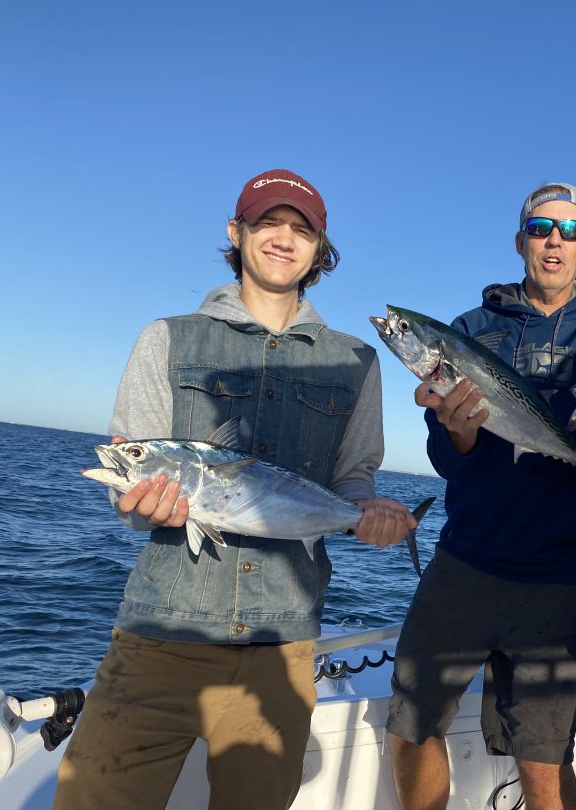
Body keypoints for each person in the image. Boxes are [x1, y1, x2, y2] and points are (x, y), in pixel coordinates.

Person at [54, 169, 416, 810]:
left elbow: (352, 480)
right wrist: (137, 505)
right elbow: (129, 473)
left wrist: (366, 516)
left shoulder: (355, 361)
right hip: (160, 630)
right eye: (268, 222)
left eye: (301, 229)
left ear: (319, 247)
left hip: (280, 647)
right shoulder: (167, 339)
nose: (283, 238)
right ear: (236, 231)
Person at [387, 183, 576, 810]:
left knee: (543, 762)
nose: (555, 239)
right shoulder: (469, 331)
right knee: (411, 728)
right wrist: (458, 433)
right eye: (541, 226)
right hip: (466, 563)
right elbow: (448, 461)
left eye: (570, 230)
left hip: (565, 577)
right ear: (521, 240)